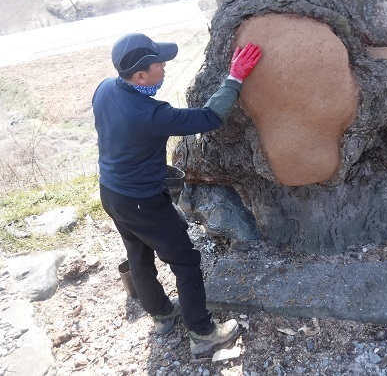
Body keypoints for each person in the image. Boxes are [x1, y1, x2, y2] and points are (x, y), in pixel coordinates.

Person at [92, 32, 261, 356]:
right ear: (141, 75)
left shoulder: (104, 89)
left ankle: (161, 315)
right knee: (185, 261)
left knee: (138, 255)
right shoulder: (152, 114)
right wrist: (235, 78)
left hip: (112, 193)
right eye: (159, 64)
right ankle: (202, 333)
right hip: (144, 201)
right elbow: (209, 117)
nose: (165, 67)